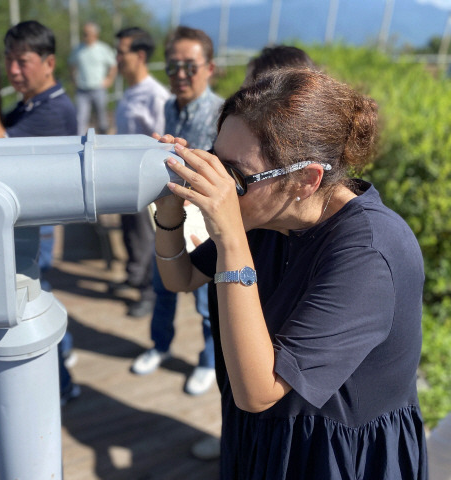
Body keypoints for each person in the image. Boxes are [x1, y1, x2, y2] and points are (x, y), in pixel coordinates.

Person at [154, 67, 428, 478]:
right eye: (213, 159)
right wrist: (170, 213)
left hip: (333, 454)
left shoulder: (370, 253)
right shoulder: (270, 217)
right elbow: (180, 278)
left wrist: (230, 240)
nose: (221, 187)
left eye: (237, 176)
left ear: (306, 179)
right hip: (264, 436)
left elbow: (258, 391)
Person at [190, 44, 319, 461]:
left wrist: (229, 231)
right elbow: (180, 276)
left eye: (256, 91)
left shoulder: (288, 209)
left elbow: (260, 390)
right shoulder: (263, 210)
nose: (245, 102)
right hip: (247, 406)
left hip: (299, 427)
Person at [0, 20, 80, 406]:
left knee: (28, 306)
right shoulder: (33, 104)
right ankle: (66, 355)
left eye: (22, 61)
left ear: (49, 62)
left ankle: (61, 384)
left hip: (35, 232)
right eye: (8, 61)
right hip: (30, 227)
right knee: (38, 297)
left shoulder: (54, 110)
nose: (13, 70)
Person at [131, 26, 223, 397]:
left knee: (206, 301)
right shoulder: (170, 106)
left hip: (203, 219)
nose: (180, 75)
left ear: (210, 68)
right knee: (162, 286)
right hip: (170, 212)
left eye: (189, 66)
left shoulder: (220, 113)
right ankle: (160, 345)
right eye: (172, 67)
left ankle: (208, 362)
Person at [111, 26, 170, 317]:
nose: (117, 59)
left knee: (147, 237)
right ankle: (134, 276)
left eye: (121, 53)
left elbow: (162, 141)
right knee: (131, 233)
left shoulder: (155, 96)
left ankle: (149, 291)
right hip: (124, 178)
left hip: (144, 183)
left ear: (140, 55)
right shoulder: (130, 91)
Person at [69, 22, 117, 135]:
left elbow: (113, 65)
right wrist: (73, 80)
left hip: (98, 88)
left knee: (102, 120)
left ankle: (105, 143)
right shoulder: (78, 49)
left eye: (87, 33)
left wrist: (109, 79)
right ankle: (78, 144)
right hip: (82, 90)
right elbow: (71, 64)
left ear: (95, 34)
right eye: (84, 34)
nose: (85, 36)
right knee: (80, 120)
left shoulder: (103, 49)